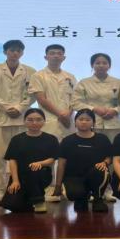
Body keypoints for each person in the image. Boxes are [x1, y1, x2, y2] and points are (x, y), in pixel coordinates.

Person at [0, 40, 36, 203]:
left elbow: (32, 94)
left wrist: (19, 108)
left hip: (21, 119)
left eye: (18, 50)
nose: (15, 53)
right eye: (12, 50)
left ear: (22, 53)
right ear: (5, 52)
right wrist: (8, 108)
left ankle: (21, 187)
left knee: (22, 156)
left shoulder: (30, 71)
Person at [28, 44, 76, 201]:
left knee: (67, 154)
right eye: (52, 53)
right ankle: (49, 187)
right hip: (49, 120)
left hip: (68, 120)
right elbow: (41, 99)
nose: (56, 56)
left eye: (59, 53)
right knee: (49, 155)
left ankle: (63, 185)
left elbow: (75, 98)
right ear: (46, 56)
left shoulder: (70, 76)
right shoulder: (38, 76)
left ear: (64, 57)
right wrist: (60, 114)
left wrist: (68, 114)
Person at [72, 53, 120, 202]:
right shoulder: (84, 83)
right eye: (97, 63)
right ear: (92, 65)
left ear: (109, 65)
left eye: (104, 62)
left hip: (113, 123)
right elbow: (75, 102)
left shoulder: (118, 83)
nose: (101, 65)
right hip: (92, 123)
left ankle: (108, 190)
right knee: (93, 156)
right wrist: (93, 108)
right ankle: (91, 189)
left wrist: (115, 110)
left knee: (111, 156)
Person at [0, 108, 60, 213]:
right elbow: (12, 160)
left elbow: (53, 158)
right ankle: (29, 199)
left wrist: (40, 163)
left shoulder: (51, 139)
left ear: (44, 121)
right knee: (12, 205)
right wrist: (15, 181)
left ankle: (39, 201)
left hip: (42, 174)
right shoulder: (17, 139)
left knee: (34, 171)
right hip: (21, 176)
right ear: (24, 121)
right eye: (30, 120)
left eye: (38, 119)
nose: (34, 123)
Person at [53, 109, 112, 212]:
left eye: (88, 120)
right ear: (75, 122)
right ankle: (82, 197)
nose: (84, 122)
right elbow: (61, 164)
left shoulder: (102, 139)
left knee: (101, 170)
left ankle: (98, 199)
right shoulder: (67, 141)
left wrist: (105, 162)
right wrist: (58, 185)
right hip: (74, 177)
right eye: (80, 119)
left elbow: (109, 157)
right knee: (75, 196)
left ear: (93, 122)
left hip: (95, 174)